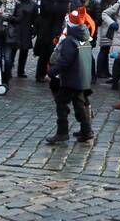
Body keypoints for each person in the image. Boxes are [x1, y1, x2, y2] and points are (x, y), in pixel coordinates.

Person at [44, 9, 94, 144]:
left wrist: (51, 73)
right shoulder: (86, 38)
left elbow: (64, 61)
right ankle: (86, 130)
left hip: (71, 79)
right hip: (82, 78)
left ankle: (62, 132)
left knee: (61, 102)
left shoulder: (69, 41)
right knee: (79, 104)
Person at [34, 0, 71, 82]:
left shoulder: (62, 1)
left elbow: (61, 12)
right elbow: (44, 12)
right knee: (44, 55)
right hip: (46, 30)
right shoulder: (45, 0)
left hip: (56, 30)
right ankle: (41, 74)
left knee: (54, 54)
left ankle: (52, 74)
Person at [13, 0, 37, 78]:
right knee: (12, 51)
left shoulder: (33, 5)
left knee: (24, 52)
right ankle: (9, 69)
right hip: (15, 29)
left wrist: (34, 29)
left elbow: (35, 18)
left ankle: (21, 71)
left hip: (26, 29)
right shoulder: (15, 3)